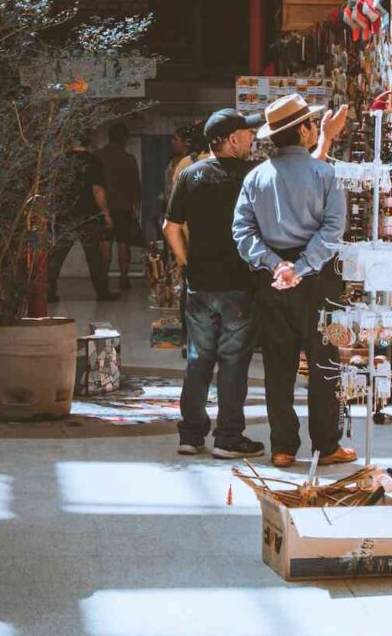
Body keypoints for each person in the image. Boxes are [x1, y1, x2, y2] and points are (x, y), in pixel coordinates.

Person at [233, 94, 353, 469]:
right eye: (312, 124)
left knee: (278, 365)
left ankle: (282, 447)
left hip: (273, 280)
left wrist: (276, 266)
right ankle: (326, 445)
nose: (315, 128)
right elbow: (333, 230)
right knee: (324, 362)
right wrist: (300, 267)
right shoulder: (324, 175)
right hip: (318, 279)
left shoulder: (256, 177)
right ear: (303, 130)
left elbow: (242, 232)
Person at [163, 109, 265, 458]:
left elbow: (170, 227)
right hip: (239, 284)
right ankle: (228, 437)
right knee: (234, 362)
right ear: (232, 139)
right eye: (247, 134)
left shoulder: (189, 175)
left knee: (198, 360)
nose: (252, 139)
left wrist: (188, 262)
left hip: (200, 285)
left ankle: (190, 436)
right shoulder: (252, 176)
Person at [48, 135, 117, 303]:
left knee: (57, 255)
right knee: (94, 256)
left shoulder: (61, 161)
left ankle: (48, 292)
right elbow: (97, 190)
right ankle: (102, 292)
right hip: (88, 215)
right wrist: (106, 214)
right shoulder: (94, 161)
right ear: (89, 141)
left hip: (65, 215)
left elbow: (53, 190)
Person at [97, 122, 141, 291]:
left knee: (105, 244)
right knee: (123, 243)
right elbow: (136, 188)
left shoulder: (98, 156)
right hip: (124, 207)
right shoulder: (129, 159)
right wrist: (136, 209)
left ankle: (104, 277)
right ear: (124, 139)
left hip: (104, 208)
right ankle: (124, 278)